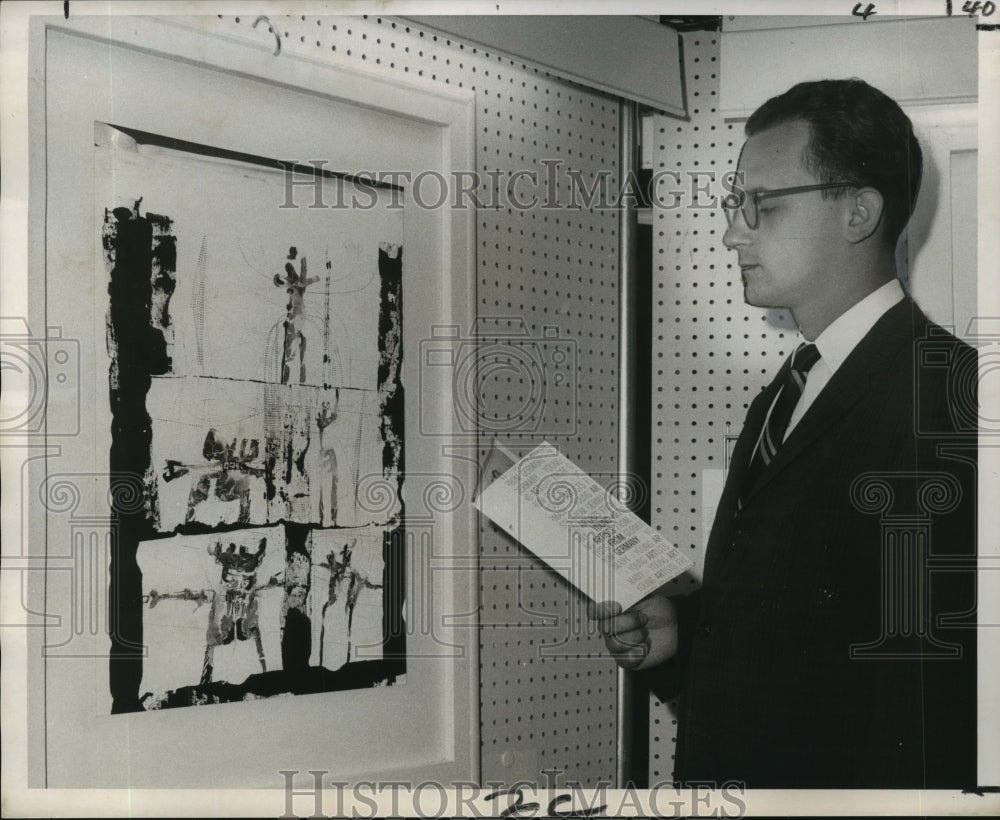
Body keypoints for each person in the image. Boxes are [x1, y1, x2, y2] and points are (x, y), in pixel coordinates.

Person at [592, 78, 977, 789]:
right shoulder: (786, 393)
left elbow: (937, 707)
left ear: (859, 211)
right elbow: (814, 637)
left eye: (760, 206)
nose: (732, 231)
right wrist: (683, 640)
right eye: (735, 205)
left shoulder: (950, 400)